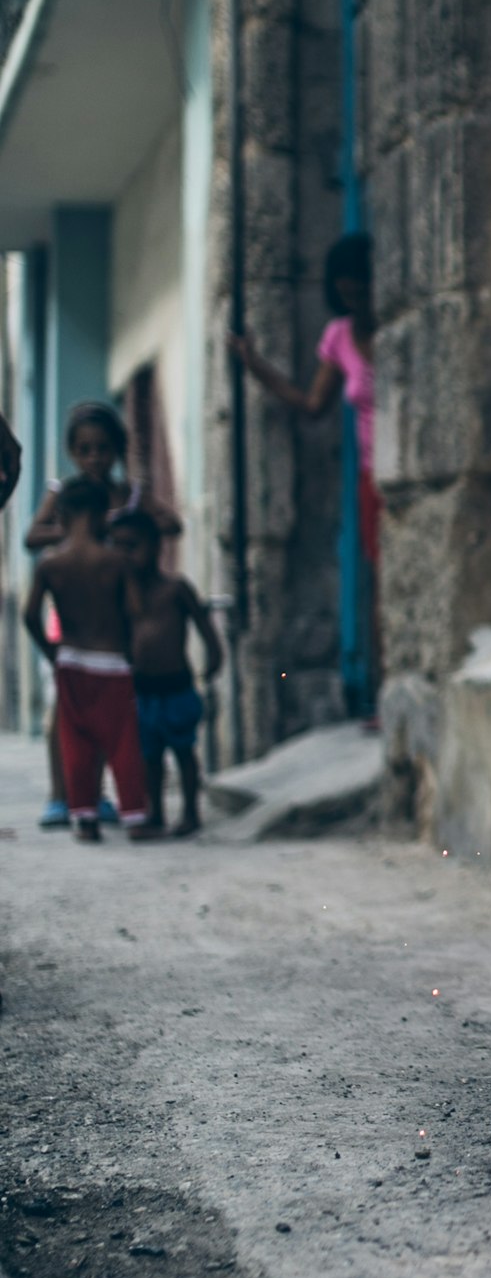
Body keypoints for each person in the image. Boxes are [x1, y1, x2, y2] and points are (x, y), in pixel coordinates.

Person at [226, 231, 381, 701]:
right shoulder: (338, 336)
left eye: (360, 289)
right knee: (378, 583)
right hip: (372, 476)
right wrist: (257, 367)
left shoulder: (396, 324)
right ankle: (381, 688)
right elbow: (313, 404)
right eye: (345, 292)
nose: (353, 300)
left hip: (402, 468)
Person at [25, 402, 181, 829]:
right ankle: (63, 796)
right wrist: (81, 532)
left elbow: (170, 522)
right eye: (85, 449)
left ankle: (101, 798)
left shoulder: (129, 496)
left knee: (117, 711)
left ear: (118, 450)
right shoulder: (65, 493)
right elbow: (32, 534)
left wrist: (131, 528)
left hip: (119, 617)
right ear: (72, 452)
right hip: (76, 609)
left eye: (103, 449)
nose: (95, 458)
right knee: (67, 705)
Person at [23, 478, 152, 842]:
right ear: (101, 516)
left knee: (76, 742)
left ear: (62, 515)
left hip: (70, 661)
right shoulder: (115, 562)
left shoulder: (51, 564)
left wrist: (52, 652)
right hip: (111, 661)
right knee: (122, 742)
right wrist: (132, 650)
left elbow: (31, 615)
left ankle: (85, 819)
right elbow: (136, 611)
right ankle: (135, 817)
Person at [110, 507, 225, 838]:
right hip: (141, 688)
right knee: (150, 757)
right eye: (117, 546)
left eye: (132, 546)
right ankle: (155, 813)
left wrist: (215, 655)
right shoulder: (123, 595)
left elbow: (204, 626)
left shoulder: (175, 589)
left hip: (176, 685)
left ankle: (191, 811)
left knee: (184, 751)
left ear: (156, 546)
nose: (125, 555)